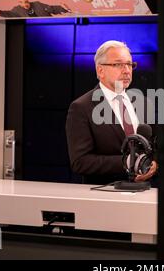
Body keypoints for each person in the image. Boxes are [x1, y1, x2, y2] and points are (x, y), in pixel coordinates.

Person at [66, 40, 158, 185]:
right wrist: (128, 162)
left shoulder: (144, 103)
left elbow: (155, 147)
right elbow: (80, 162)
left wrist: (154, 164)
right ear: (100, 70)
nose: (127, 70)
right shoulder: (81, 107)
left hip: (144, 193)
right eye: (118, 64)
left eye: (129, 64)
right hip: (104, 195)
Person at [0, 0, 72, 17]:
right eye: (21, 2)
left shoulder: (37, 5)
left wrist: (63, 8)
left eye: (26, 1)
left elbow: (52, 9)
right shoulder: (16, 10)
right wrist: (0, 12)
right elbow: (9, 14)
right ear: (17, 2)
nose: (25, 4)